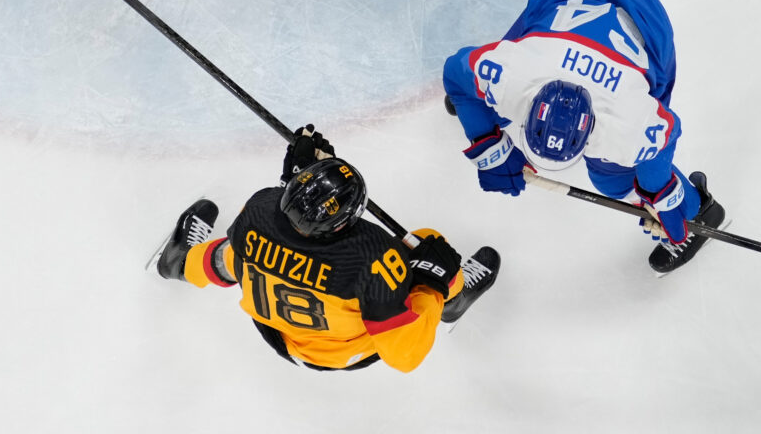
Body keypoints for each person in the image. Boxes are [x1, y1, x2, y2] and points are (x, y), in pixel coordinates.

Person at [442, 0, 725, 274]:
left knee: (612, 178)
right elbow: (456, 72)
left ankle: (700, 210)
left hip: (646, 22)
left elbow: (666, 130)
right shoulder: (511, 74)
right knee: (481, 98)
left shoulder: (625, 122)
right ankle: (481, 102)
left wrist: (661, 192)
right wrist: (487, 142)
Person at [153, 125, 500, 372]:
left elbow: (282, 223)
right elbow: (405, 358)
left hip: (277, 333)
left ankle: (179, 263)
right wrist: (433, 286)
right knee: (424, 247)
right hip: (344, 352)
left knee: (238, 253)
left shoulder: (259, 206)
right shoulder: (375, 258)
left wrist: (300, 183)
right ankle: (453, 301)